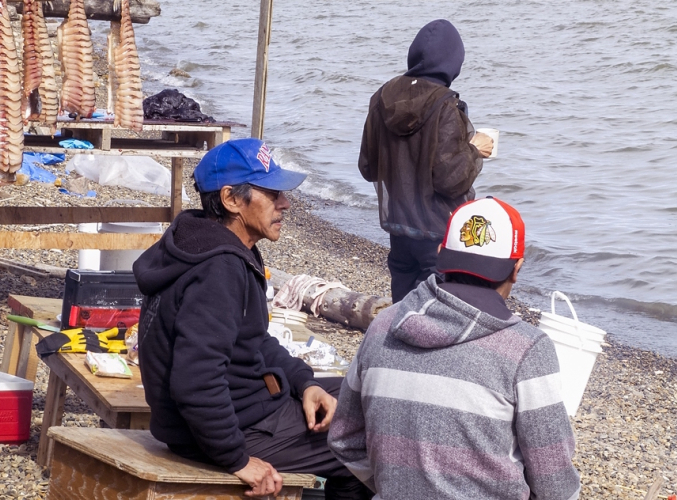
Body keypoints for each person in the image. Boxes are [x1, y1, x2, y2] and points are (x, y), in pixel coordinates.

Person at [132, 138, 371, 500]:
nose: (285, 204)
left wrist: (305, 385)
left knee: (366, 394)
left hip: (240, 408)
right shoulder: (218, 269)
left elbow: (254, 339)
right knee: (368, 440)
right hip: (224, 431)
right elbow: (195, 380)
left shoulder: (216, 244)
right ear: (230, 200)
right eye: (273, 194)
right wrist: (237, 459)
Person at [328, 197, 581, 499]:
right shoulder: (526, 349)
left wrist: (397, 487)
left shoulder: (384, 325)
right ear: (517, 269)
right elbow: (555, 485)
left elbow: (345, 439)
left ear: (440, 254)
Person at [358, 19, 494, 303]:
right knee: (431, 314)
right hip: (437, 233)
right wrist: (473, 148)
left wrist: (403, 157)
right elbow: (450, 179)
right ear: (454, 63)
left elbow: (368, 167)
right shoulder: (446, 106)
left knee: (404, 307)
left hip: (399, 227)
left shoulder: (383, 97)